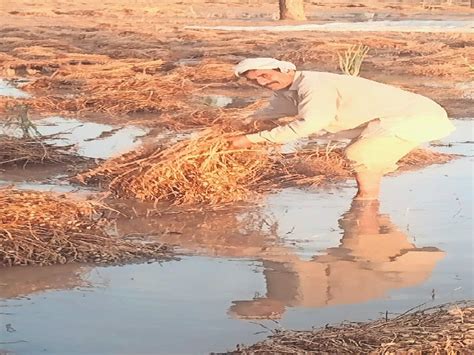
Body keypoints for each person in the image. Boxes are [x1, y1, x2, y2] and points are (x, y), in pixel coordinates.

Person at [229, 58, 455, 200]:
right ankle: (369, 206)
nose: (261, 82)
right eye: (254, 80)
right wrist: (238, 125)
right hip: (387, 119)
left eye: (264, 75)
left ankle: (367, 204)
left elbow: (311, 123)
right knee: (364, 155)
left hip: (415, 116)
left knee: (360, 154)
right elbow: (269, 113)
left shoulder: (313, 84)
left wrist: (253, 140)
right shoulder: (287, 91)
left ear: (284, 69)